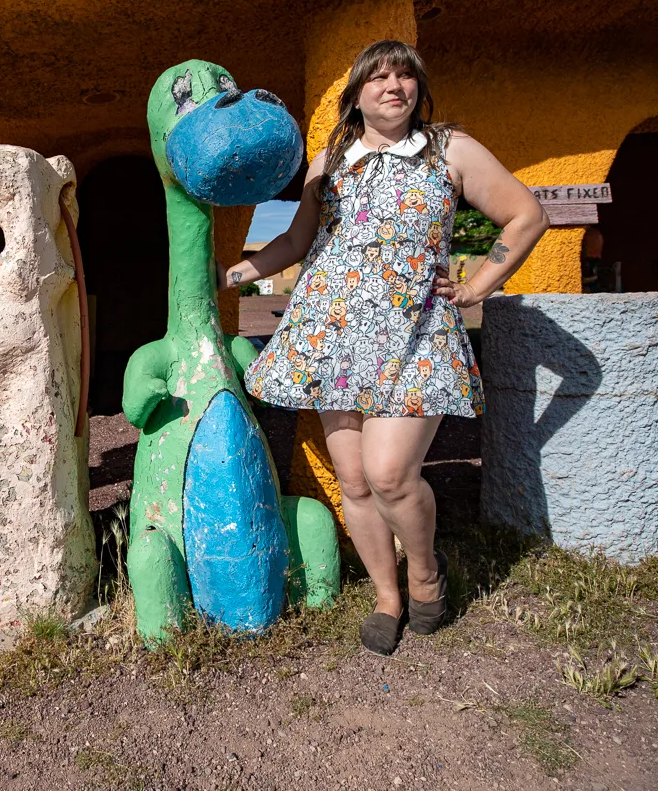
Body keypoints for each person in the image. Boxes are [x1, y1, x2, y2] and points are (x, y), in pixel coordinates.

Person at [220, 40, 548, 655]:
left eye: (405, 76)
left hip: (415, 332)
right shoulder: (333, 159)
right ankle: (386, 596)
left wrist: (477, 285)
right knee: (356, 481)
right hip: (332, 333)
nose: (393, 85)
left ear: (418, 90)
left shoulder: (450, 149)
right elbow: (295, 242)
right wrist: (229, 275)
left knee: (391, 473)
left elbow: (525, 215)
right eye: (379, 77)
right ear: (358, 94)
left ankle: (424, 571)